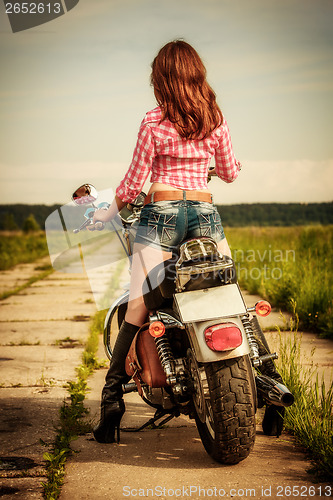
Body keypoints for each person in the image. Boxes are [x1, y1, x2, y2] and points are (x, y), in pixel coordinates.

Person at [91, 40, 242, 443]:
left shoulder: (153, 120)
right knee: (228, 293)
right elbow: (229, 172)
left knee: (140, 303)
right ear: (197, 73)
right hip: (206, 214)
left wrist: (106, 211)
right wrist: (219, 165)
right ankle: (270, 382)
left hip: (162, 213)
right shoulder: (215, 118)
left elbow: (133, 182)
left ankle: (111, 403)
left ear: (161, 78)